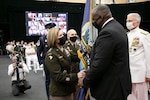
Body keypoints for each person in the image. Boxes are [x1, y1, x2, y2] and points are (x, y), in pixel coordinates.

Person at [78, 4, 132, 100]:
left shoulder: (108, 33)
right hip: (117, 85)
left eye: (94, 19)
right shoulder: (118, 27)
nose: (93, 22)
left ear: (102, 17)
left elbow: (99, 63)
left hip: (111, 89)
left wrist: (85, 81)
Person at [44, 27, 84, 100]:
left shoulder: (64, 50)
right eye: (60, 36)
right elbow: (58, 76)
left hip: (69, 89)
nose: (63, 37)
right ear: (54, 39)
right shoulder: (51, 55)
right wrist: (76, 76)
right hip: (59, 93)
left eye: (63, 35)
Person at [126, 13, 150, 100]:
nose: (128, 23)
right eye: (127, 21)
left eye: (130, 21)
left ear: (137, 22)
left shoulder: (144, 35)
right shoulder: (126, 35)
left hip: (141, 75)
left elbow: (148, 55)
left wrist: (148, 74)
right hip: (128, 74)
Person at [36, 23, 56, 100]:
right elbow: (38, 51)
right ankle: (49, 97)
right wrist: (41, 61)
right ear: (47, 30)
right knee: (48, 80)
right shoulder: (42, 39)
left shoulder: (57, 38)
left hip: (57, 62)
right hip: (47, 63)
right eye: (49, 29)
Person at [64, 29, 80, 99]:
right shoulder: (65, 46)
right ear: (68, 37)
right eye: (72, 35)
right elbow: (74, 56)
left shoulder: (79, 45)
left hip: (78, 70)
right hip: (70, 71)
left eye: (75, 34)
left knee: (77, 92)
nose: (74, 36)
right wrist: (79, 55)